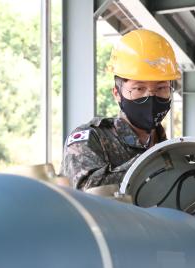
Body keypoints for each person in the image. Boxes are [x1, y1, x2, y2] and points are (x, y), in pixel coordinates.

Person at [61, 29, 180, 190]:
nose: (151, 97)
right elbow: (86, 189)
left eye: (161, 88)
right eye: (139, 89)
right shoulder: (91, 138)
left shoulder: (173, 151)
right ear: (117, 93)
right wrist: (153, 162)